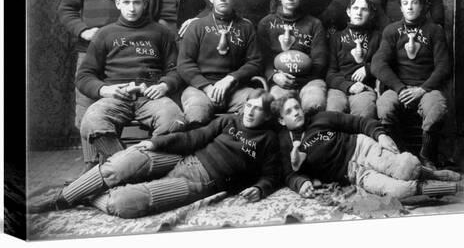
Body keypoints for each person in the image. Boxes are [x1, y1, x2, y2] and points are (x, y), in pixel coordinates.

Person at [28, 90, 280, 219]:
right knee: (122, 162)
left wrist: (261, 188)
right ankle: (62, 199)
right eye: (249, 105)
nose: (250, 112)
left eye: (258, 110)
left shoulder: (268, 139)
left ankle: (89, 196)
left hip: (201, 182)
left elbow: (272, 174)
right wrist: (156, 142)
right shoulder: (229, 121)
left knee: (122, 204)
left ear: (267, 115)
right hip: (184, 158)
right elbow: (194, 138)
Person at [58, 0, 145, 161]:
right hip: (90, 51)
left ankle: (114, 163)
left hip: (124, 53)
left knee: (117, 104)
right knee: (86, 104)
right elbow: (66, 9)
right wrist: (83, 31)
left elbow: (145, 9)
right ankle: (91, 164)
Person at [76, 0, 186, 171]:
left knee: (174, 119)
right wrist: (105, 89)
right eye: (126, 2)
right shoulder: (105, 34)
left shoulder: (162, 33)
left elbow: (177, 69)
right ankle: (129, 167)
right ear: (118, 3)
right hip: (116, 96)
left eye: (136, 2)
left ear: (145, 3)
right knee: (91, 120)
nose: (132, 8)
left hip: (151, 96)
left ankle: (143, 165)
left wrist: (164, 85)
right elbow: (84, 75)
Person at [273, 93, 461, 201]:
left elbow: (359, 122)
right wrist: (301, 183)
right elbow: (290, 174)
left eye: (297, 107)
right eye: (289, 112)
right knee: (398, 191)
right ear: (281, 120)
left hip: (364, 149)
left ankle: (434, 174)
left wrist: (380, 136)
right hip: (353, 173)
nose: (296, 113)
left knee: (407, 168)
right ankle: (439, 188)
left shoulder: (320, 118)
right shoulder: (285, 142)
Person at [371, 0, 451, 169]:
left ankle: (426, 157)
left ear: (422, 6)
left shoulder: (434, 30)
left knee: (437, 108)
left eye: (414, 2)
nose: (409, 7)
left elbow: (444, 66)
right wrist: (400, 89)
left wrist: (422, 89)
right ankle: (402, 154)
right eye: (405, 3)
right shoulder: (392, 31)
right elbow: (378, 64)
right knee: (384, 106)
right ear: (400, 7)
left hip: (426, 88)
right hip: (400, 88)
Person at [177, 0, 262, 127]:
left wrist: (231, 79)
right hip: (200, 88)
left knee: (259, 107)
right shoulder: (197, 26)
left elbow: (255, 62)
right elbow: (184, 63)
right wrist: (207, 88)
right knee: (197, 114)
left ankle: (236, 148)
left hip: (235, 89)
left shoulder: (246, 26)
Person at [257, 0, 328, 112]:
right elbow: (262, 58)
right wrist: (274, 76)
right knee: (279, 106)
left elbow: (320, 60)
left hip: (309, 80)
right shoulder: (266, 23)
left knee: (314, 104)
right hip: (279, 81)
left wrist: (301, 78)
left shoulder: (314, 24)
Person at [325, 0, 381, 119]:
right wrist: (348, 86)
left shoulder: (377, 37)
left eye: (364, 9)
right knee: (333, 113)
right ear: (348, 12)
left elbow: (385, 63)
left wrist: (368, 68)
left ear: (371, 14)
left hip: (364, 87)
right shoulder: (336, 38)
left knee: (365, 113)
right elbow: (330, 73)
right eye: (355, 8)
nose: (359, 13)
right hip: (339, 87)